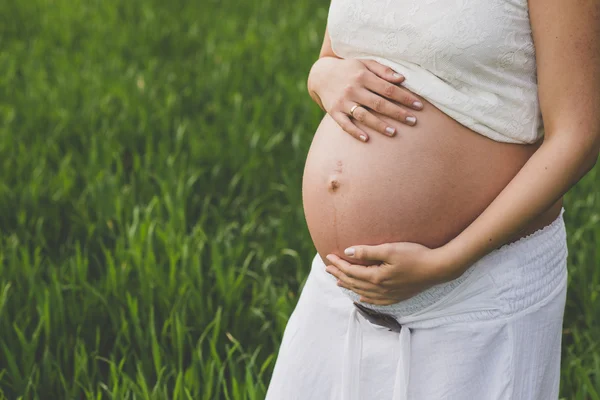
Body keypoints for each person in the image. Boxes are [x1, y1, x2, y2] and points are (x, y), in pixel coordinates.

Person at [266, 0, 599, 399]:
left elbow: (578, 136)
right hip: (338, 289)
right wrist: (325, 76)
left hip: (472, 288)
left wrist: (449, 260)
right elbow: (331, 58)